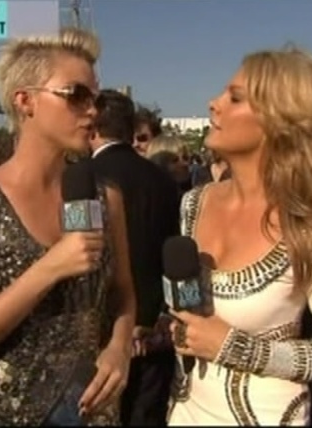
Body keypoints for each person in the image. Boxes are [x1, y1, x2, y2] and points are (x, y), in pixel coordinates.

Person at [0, 28, 135, 425]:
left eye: (96, 98)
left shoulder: (106, 196)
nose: (92, 111)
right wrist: (49, 268)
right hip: (2, 415)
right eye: (76, 95)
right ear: (24, 100)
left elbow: (124, 294)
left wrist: (120, 346)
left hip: (92, 411)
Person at [166, 46, 312, 426]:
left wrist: (235, 348)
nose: (213, 103)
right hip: (185, 410)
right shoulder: (193, 203)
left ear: (279, 122)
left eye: (235, 97)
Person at [87, 89, 180, 426]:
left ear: (93, 128)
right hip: (154, 331)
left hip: (99, 336)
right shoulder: (164, 180)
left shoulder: (83, 179)